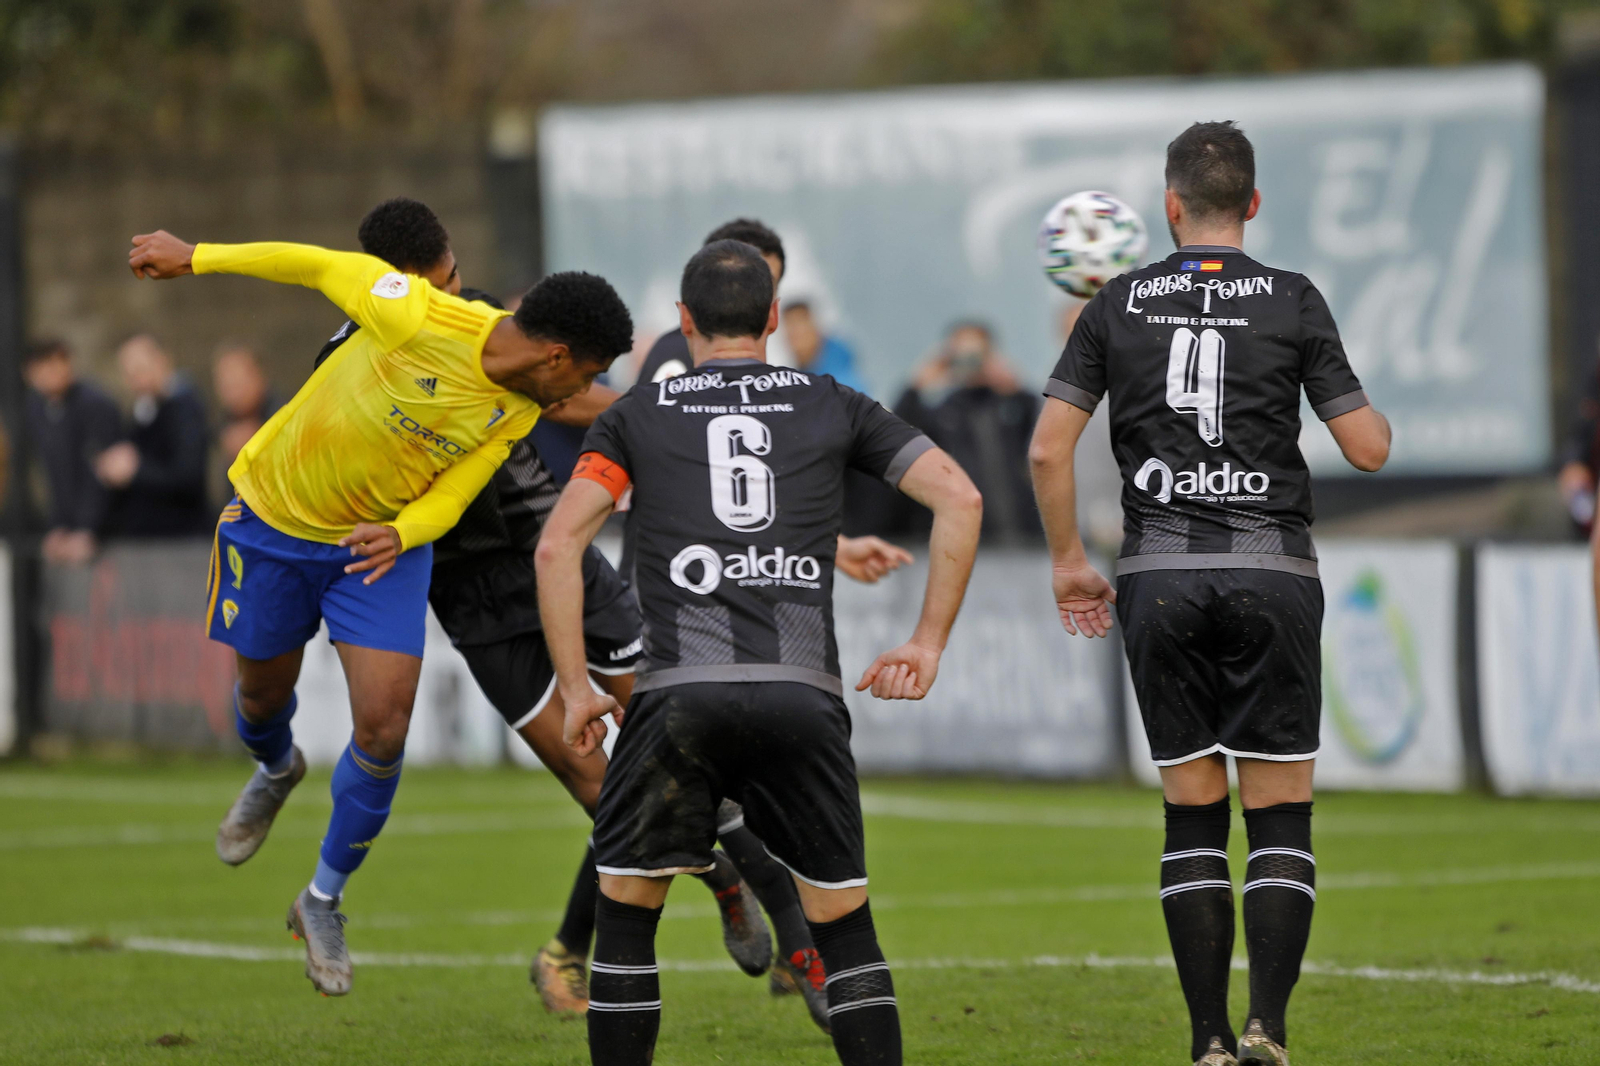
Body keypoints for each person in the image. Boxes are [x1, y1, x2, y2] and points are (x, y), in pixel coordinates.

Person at [309, 199, 894, 1028]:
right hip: (483, 599)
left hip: (579, 568)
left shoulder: (513, 337)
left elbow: (724, 485)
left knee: (703, 757)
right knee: (615, 787)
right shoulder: (411, 348)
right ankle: (691, 902)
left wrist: (831, 541)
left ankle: (800, 957)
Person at [127, 225, 634, 997]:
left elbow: (453, 494)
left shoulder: (514, 410)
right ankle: (275, 765)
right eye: (585, 378)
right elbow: (314, 265)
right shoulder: (420, 314)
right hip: (273, 522)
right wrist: (195, 257)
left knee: (385, 722)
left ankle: (322, 899)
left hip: (380, 547)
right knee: (261, 699)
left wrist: (400, 531)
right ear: (555, 357)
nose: (578, 399)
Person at [536, 239, 983, 1066]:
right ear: (774, 318)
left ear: (681, 322)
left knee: (628, 914)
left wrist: (575, 686)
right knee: (844, 929)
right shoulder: (834, 403)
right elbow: (959, 495)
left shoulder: (636, 413)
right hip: (799, 693)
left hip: (677, 699)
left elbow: (558, 547)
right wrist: (926, 641)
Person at [1028, 121, 1391, 1066]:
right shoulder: (1294, 298)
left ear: (1171, 206)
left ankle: (1208, 1041)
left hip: (1160, 577)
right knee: (1278, 814)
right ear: (1255, 205)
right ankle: (1268, 1022)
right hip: (1272, 569)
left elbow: (1044, 447)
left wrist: (1070, 558)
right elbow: (1369, 448)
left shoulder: (1116, 302)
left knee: (1191, 813)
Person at [895, 322, 1040, 543]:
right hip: (965, 537)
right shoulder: (943, 413)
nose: (971, 364)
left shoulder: (1013, 407)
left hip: (1021, 534)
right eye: (962, 355)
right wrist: (917, 384)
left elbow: (1045, 430)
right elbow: (898, 432)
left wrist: (1017, 386)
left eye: (978, 355)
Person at [97, 334, 212, 538]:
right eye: (128, 374)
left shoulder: (185, 409)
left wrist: (135, 469)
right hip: (147, 537)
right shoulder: (145, 409)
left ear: (162, 360)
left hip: (180, 539)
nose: (135, 381)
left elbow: (187, 475)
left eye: (140, 370)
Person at [23, 339, 122, 563]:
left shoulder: (95, 404)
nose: (56, 370)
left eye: (61, 361)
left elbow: (100, 470)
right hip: (69, 529)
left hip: (107, 530)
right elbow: (53, 473)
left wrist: (88, 528)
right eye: (47, 364)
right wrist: (59, 525)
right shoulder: (35, 408)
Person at [213, 343, 282, 475]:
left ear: (259, 375)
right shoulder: (222, 427)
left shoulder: (281, 416)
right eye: (226, 384)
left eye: (238, 381)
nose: (233, 393)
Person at [782, 301, 869, 394]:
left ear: (815, 326)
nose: (794, 333)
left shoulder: (841, 379)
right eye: (790, 327)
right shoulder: (800, 376)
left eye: (799, 325)